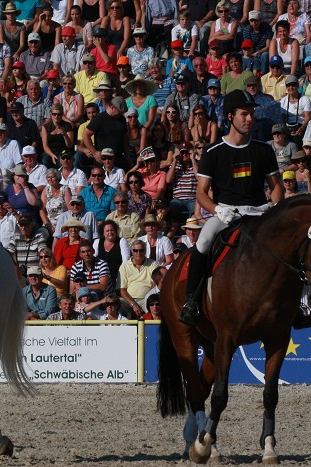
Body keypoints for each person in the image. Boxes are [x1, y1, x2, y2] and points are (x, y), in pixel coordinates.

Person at [179, 89, 283, 325]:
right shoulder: (213, 152)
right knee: (203, 242)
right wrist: (218, 210)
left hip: (259, 213)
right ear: (229, 117)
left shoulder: (264, 149)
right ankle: (191, 301)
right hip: (227, 213)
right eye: (244, 114)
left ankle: (299, 303)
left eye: (251, 114)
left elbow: (276, 187)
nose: (250, 119)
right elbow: (201, 194)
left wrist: (274, 207)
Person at [118, 238, 157, 317]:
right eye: (135, 250)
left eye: (141, 250)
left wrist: (148, 299)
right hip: (129, 300)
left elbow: (154, 285)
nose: (138, 253)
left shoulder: (153, 264)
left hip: (147, 298)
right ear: (132, 252)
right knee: (118, 303)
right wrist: (133, 304)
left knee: (155, 304)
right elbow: (122, 290)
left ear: (145, 251)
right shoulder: (124, 266)